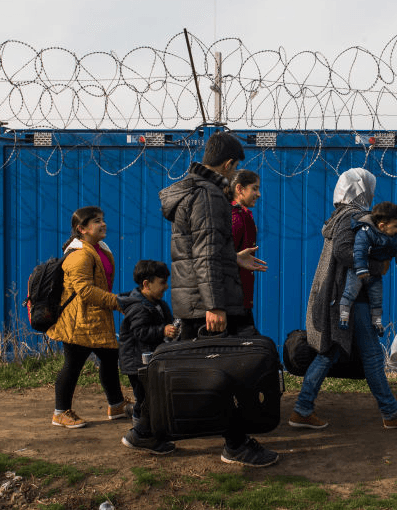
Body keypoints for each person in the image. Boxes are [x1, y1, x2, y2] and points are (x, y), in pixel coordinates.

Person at [159, 131, 277, 468]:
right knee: (234, 369)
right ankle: (236, 444)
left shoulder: (192, 191)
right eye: (234, 167)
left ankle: (147, 430)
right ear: (228, 164)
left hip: (194, 295)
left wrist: (234, 258)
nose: (233, 172)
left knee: (177, 367)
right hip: (208, 299)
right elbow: (206, 252)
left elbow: (203, 248)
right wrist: (215, 305)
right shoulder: (210, 195)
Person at [288, 167, 397, 431]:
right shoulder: (354, 216)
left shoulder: (340, 215)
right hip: (352, 298)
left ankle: (303, 409)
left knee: (333, 352)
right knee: (369, 355)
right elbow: (343, 252)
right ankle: (390, 413)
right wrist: (378, 267)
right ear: (361, 191)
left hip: (345, 296)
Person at [48, 206, 132, 429]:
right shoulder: (80, 255)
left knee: (109, 359)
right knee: (73, 364)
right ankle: (60, 412)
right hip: (78, 321)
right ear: (81, 229)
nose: (102, 224)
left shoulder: (99, 249)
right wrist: (116, 302)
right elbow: (85, 290)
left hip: (95, 318)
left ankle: (116, 405)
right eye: (96, 221)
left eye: (102, 219)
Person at [117, 260, 178, 454]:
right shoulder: (138, 307)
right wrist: (162, 331)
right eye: (162, 282)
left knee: (148, 398)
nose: (166, 286)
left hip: (148, 362)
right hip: (137, 364)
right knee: (145, 399)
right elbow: (141, 333)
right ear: (146, 284)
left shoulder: (158, 304)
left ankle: (144, 428)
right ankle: (141, 433)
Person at [338, 201, 397, 335]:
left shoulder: (396, 236)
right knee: (350, 292)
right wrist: (361, 268)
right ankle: (343, 316)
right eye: (396, 225)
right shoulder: (365, 232)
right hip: (358, 270)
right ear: (382, 226)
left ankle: (377, 322)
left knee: (377, 297)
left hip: (376, 274)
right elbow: (359, 250)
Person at [229, 170, 262, 331]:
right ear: (240, 189)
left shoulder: (243, 215)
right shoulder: (236, 216)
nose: (258, 194)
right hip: (233, 303)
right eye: (254, 188)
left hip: (239, 300)